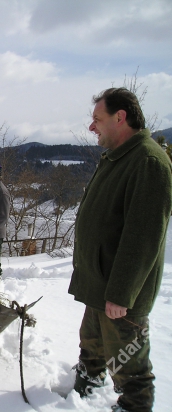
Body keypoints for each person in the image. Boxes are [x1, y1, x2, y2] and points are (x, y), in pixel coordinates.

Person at [68, 87, 172, 412]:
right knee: (92, 346)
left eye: (97, 119)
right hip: (101, 284)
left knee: (130, 366)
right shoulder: (118, 157)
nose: (91, 127)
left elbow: (143, 238)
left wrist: (122, 294)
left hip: (120, 297)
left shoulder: (149, 163)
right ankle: (87, 383)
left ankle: (134, 406)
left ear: (120, 117)